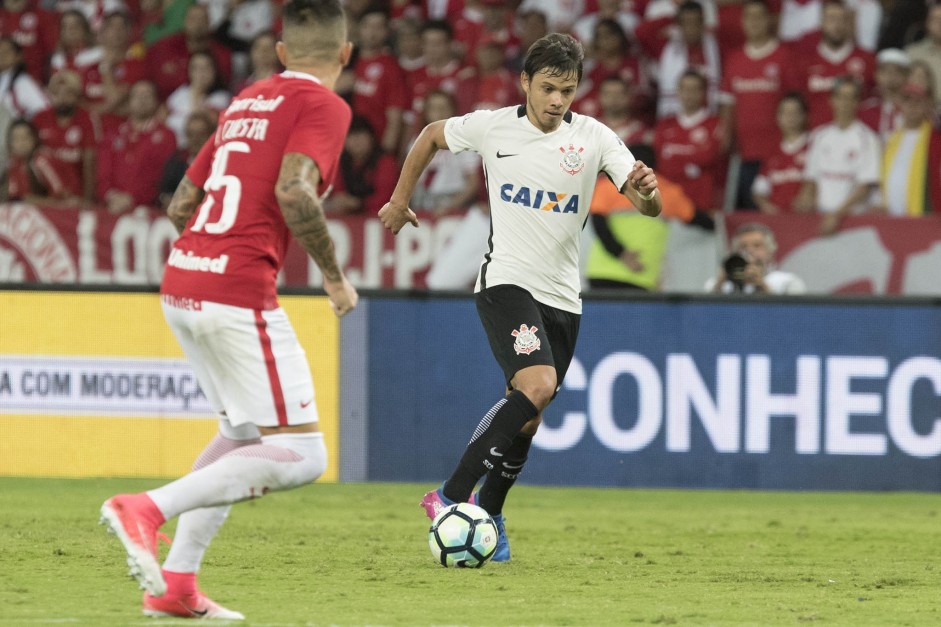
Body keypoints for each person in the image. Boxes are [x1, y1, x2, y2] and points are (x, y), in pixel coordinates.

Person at [99, 0, 358, 620]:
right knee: (304, 455)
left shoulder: (245, 100)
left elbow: (182, 203)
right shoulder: (325, 105)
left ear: (281, 53)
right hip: (235, 291)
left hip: (182, 280)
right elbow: (295, 190)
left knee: (241, 435)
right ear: (345, 55)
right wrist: (334, 279)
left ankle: (175, 587)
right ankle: (146, 508)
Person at [379, 33, 661, 562]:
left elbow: (648, 205)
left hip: (563, 297)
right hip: (506, 282)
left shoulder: (595, 138)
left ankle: (492, 513)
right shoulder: (492, 126)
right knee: (538, 383)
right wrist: (399, 200)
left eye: (568, 90)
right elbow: (430, 136)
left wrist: (648, 193)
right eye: (549, 88)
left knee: (529, 416)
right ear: (525, 83)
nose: (558, 101)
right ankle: (448, 496)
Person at [794, 76, 881, 236]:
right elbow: (811, 178)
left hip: (853, 220)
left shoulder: (868, 138)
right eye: (840, 97)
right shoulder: (819, 136)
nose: (844, 103)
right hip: (821, 218)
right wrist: (805, 197)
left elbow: (865, 187)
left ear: (857, 102)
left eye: (850, 98)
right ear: (832, 100)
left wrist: (837, 214)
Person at [96, 80, 177, 213]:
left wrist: (133, 198)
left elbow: (160, 175)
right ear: (129, 101)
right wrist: (111, 195)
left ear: (156, 101)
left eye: (147, 96)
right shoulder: (113, 134)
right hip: (111, 206)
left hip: (148, 210)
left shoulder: (167, 136)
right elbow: (103, 172)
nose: (142, 100)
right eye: (137, 96)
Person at [874, 82, 941, 216]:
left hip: (926, 220)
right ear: (901, 105)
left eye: (918, 100)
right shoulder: (891, 140)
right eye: (907, 100)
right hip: (892, 219)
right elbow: (882, 178)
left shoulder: (937, 141)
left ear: (927, 104)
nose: (912, 105)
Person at [706, 222, 806, 294]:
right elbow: (704, 315)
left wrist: (762, 286)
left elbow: (793, 316)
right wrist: (719, 284)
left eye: (757, 245)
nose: (749, 251)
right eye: (743, 246)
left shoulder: (787, 282)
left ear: (770, 252)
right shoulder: (717, 283)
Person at [751, 92, 810, 214]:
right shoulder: (771, 152)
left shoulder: (814, 147)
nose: (790, 117)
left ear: (803, 115)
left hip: (807, 219)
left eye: (794, 112)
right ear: (778, 117)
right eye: (786, 113)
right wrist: (766, 206)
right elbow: (759, 190)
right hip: (777, 221)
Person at [5, 118, 82, 207]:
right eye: (16, 139)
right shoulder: (13, 164)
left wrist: (31, 200)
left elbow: (62, 197)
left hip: (70, 208)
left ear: (34, 139)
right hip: (40, 209)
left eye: (25, 138)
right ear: (10, 143)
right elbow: (17, 197)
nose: (21, 143)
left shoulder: (42, 160)